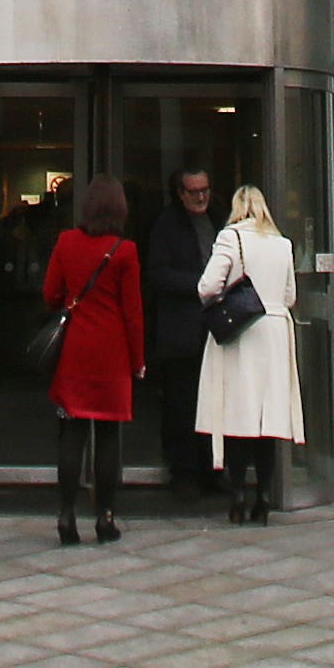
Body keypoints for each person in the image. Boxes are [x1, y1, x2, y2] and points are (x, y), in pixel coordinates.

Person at [38, 171, 146, 545]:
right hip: (112, 352)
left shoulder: (66, 242)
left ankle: (66, 514)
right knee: (109, 435)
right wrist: (138, 360)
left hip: (75, 349)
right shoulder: (125, 251)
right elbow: (133, 313)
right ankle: (105, 517)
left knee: (72, 432)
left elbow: (50, 293)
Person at [192, 181, 305, 524]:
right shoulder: (283, 244)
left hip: (240, 331)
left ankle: (238, 492)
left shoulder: (231, 237)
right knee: (268, 418)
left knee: (238, 417)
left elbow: (206, 287)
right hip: (274, 331)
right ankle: (265, 496)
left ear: (237, 209)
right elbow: (289, 296)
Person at [138, 164, 222, 504]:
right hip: (181, 329)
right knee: (181, 405)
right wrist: (199, 285)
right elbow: (157, 274)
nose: (201, 197)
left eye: (205, 190)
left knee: (214, 403)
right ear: (180, 193)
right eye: (193, 191)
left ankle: (212, 470)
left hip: (216, 328)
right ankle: (183, 472)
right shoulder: (166, 226)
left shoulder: (218, 220)